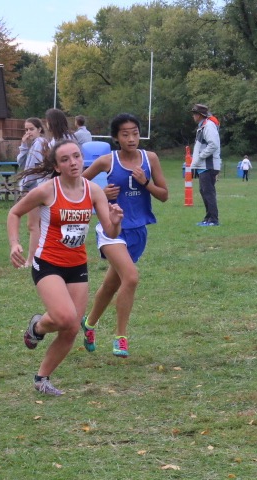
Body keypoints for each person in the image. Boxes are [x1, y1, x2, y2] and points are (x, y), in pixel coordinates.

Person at [8, 139, 124, 396]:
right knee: (65, 317)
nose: (73, 162)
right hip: (48, 262)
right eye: (65, 159)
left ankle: (42, 378)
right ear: (57, 166)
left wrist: (115, 221)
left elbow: (110, 230)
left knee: (71, 328)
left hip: (77, 266)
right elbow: (14, 213)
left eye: (76, 157)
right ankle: (37, 327)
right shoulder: (47, 190)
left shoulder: (93, 191)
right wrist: (15, 244)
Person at [80, 113, 168, 357]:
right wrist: (99, 193)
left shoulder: (150, 159)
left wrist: (146, 182)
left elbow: (164, 195)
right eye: (125, 134)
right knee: (131, 278)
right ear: (116, 138)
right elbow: (77, 188)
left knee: (111, 284)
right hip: (112, 229)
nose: (131, 138)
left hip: (138, 231)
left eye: (135, 133)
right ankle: (121, 337)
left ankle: (88, 324)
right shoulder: (107, 161)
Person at [17, 117, 49, 266]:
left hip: (35, 188)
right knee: (40, 225)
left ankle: (31, 260)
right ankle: (41, 257)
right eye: (26, 130)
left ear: (39, 129)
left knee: (33, 225)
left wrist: (26, 186)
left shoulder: (40, 143)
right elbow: (21, 162)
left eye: (31, 129)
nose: (28, 132)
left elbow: (33, 170)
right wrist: (24, 145)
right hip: (36, 187)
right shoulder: (33, 144)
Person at [190, 104, 221, 226]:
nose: (193, 116)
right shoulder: (203, 126)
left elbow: (213, 145)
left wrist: (200, 156)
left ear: (199, 115)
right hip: (204, 166)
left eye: (194, 113)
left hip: (208, 165)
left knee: (208, 192)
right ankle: (208, 218)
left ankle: (213, 219)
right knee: (204, 191)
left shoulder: (208, 126)